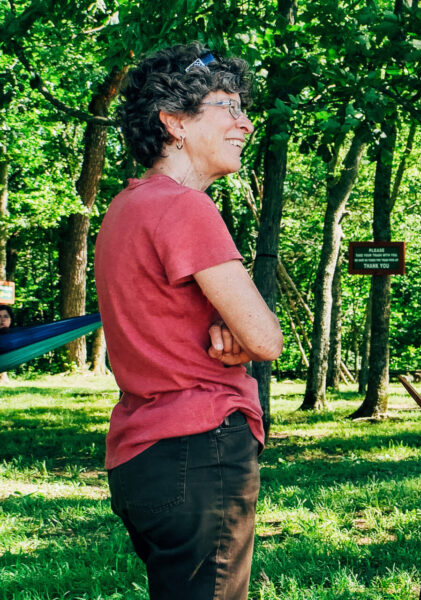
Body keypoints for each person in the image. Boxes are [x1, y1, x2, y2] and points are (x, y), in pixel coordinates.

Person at [95, 43, 282, 600]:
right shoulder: (185, 207)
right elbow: (267, 338)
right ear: (173, 121)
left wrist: (233, 341)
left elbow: (161, 331)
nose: (245, 122)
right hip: (200, 450)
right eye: (226, 106)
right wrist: (244, 342)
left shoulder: (126, 208)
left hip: (140, 457)